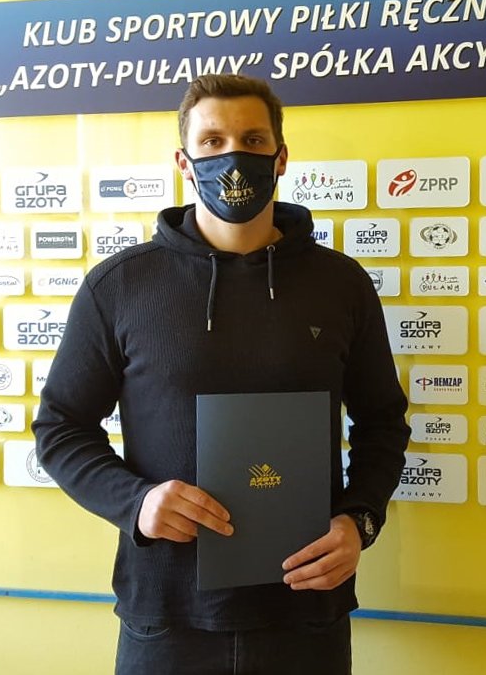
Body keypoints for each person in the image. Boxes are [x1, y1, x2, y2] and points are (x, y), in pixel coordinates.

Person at [32, 73, 410, 675]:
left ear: (280, 158)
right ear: (184, 162)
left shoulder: (341, 284)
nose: (233, 156)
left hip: (306, 610)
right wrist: (136, 502)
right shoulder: (119, 286)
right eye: (212, 142)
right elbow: (60, 428)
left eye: (253, 140)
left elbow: (383, 423)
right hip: (166, 616)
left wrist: (359, 520)